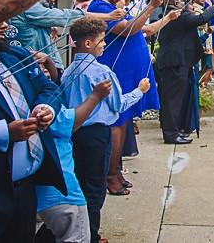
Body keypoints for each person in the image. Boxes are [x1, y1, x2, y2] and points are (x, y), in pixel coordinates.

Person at [0, 0, 65, 243]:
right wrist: (3, 133)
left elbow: (49, 88)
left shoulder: (14, 55)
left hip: (25, 189)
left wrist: (46, 108)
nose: (5, 26)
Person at [61, 16, 152, 243]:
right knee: (95, 188)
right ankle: (91, 235)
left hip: (73, 134)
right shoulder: (101, 72)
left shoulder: (68, 71)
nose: (104, 44)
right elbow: (118, 105)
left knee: (79, 184)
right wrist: (140, 91)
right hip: (96, 134)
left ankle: (81, 232)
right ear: (87, 43)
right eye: (101, 40)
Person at [86, 0, 165, 198]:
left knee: (124, 122)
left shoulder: (114, 6)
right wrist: (150, 7)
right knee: (117, 122)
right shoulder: (100, 7)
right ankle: (110, 175)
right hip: (118, 70)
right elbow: (128, 30)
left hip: (129, 71)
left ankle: (116, 170)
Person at [36, 78, 111, 243]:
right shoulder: (42, 105)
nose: (44, 70)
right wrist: (95, 96)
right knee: (76, 235)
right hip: (60, 188)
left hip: (27, 188)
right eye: (39, 68)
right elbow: (67, 123)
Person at [156, 0, 214, 144]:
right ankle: (171, 134)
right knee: (172, 100)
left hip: (173, 62)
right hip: (175, 63)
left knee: (173, 99)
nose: (185, 3)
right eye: (182, 1)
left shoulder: (170, 16)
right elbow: (201, 19)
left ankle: (173, 130)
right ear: (177, 3)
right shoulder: (178, 16)